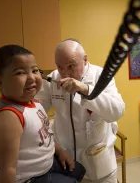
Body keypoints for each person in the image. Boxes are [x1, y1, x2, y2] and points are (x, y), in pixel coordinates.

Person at [36, 39, 125, 183]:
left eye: (71, 66)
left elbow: (117, 111)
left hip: (99, 162)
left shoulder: (101, 76)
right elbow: (36, 113)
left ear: (84, 59)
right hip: (67, 162)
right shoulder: (52, 79)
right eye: (60, 67)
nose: (65, 73)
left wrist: (85, 89)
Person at [0, 45, 78, 183]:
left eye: (35, 70)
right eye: (20, 73)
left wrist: (60, 152)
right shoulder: (8, 117)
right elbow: (6, 170)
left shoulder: (34, 103)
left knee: (78, 171)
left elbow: (46, 134)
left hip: (46, 163)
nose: (32, 78)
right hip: (30, 178)